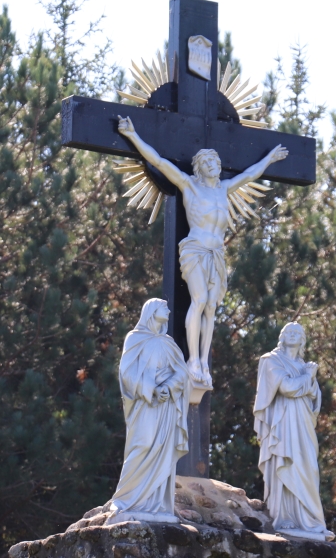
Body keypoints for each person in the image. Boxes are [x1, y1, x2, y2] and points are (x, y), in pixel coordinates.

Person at [118, 116, 288, 387]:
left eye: (216, 162)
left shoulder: (224, 189)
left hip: (216, 254)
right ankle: (193, 360)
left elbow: (250, 175)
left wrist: (270, 159)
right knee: (198, 300)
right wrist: (133, 135)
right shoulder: (190, 186)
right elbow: (160, 162)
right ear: (199, 168)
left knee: (211, 306)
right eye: (208, 162)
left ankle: (204, 360)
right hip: (196, 249)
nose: (214, 165)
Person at [108, 298, 189, 523]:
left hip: (166, 406)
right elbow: (127, 373)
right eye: (164, 307)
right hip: (146, 403)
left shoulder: (169, 343)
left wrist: (168, 387)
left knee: (163, 450)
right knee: (142, 444)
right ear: (152, 311)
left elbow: (182, 373)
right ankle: (126, 499)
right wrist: (152, 389)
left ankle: (156, 505)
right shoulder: (135, 339)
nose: (169, 310)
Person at [253, 322, 334, 541]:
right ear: (282, 336)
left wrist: (308, 382)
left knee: (307, 466)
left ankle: (311, 520)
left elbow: (314, 397)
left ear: (302, 340)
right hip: (284, 423)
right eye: (288, 331)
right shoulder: (271, 360)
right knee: (285, 462)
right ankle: (285, 516)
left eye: (298, 332)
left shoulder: (304, 366)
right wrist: (308, 378)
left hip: (303, 423)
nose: (292, 333)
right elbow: (287, 388)